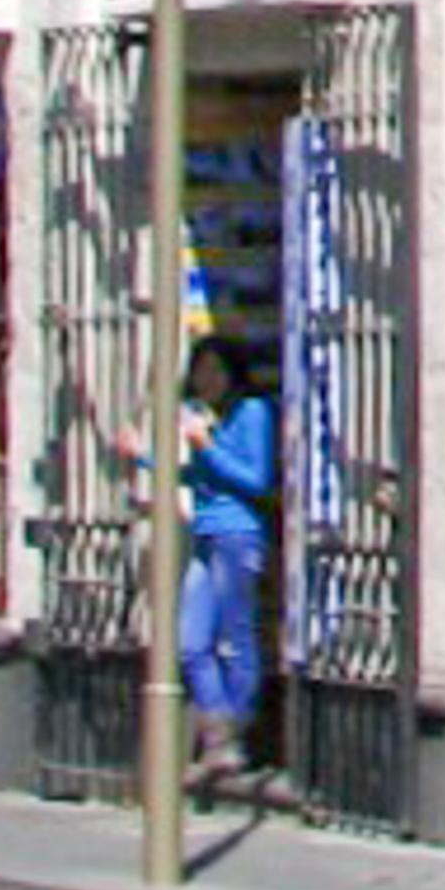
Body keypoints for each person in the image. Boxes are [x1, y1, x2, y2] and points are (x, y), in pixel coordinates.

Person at [175, 333, 277, 796]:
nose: (207, 381)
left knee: (236, 637)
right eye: (200, 372)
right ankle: (217, 732)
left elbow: (256, 478)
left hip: (237, 533)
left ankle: (234, 735)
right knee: (190, 641)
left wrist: (207, 447)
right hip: (204, 531)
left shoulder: (252, 414)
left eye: (215, 371)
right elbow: (194, 475)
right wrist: (143, 456)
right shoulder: (204, 417)